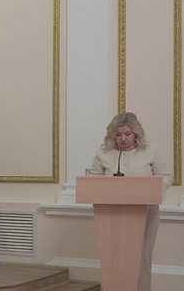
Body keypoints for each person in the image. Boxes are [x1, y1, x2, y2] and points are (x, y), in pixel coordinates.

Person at [89, 112, 170, 291]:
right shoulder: (104, 153)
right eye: (118, 135)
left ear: (136, 133)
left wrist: (149, 191)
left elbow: (166, 177)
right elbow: (92, 181)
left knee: (141, 259)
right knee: (114, 259)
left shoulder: (150, 150)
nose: (123, 139)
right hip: (111, 217)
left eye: (127, 134)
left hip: (146, 215)